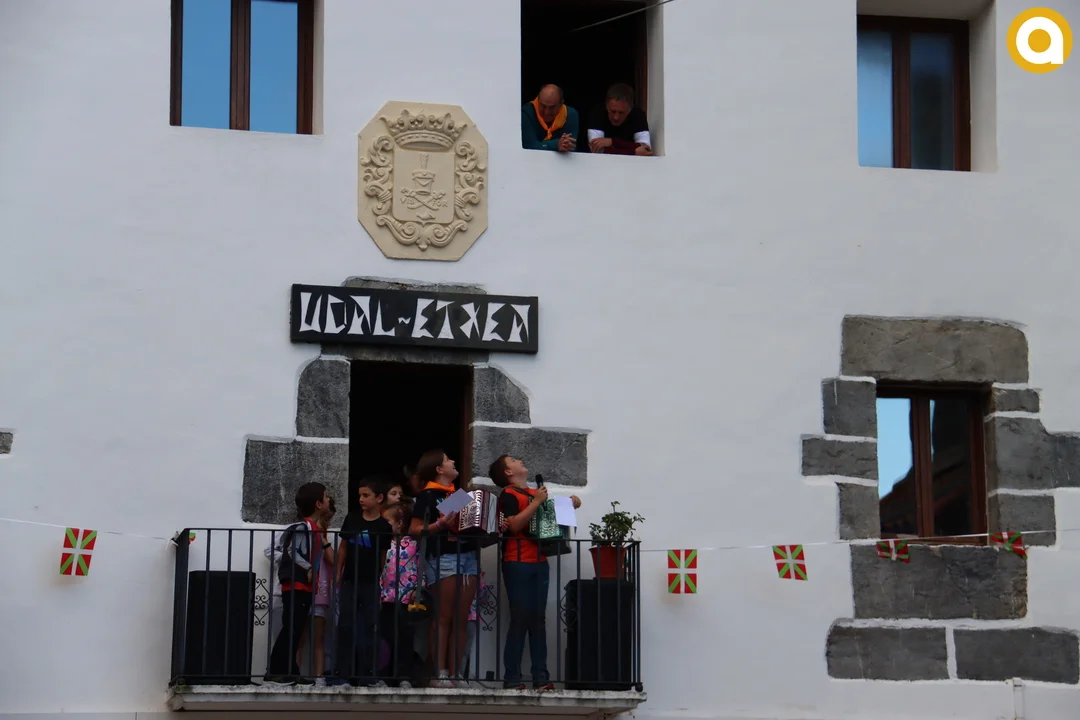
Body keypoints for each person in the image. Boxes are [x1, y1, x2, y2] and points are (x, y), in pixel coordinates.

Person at [490, 455, 580, 690]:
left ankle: (541, 677)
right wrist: (537, 501)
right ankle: (512, 678)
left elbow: (547, 515)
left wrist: (571, 502)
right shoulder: (509, 494)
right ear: (508, 472)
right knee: (520, 618)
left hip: (539, 561)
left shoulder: (534, 493)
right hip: (517, 561)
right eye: (513, 460)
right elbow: (514, 525)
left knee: (538, 620)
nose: (520, 461)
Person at [408, 449, 477, 688]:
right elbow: (414, 530)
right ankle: (440, 674)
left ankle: (456, 674)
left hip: (468, 555)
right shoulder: (427, 496)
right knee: (444, 616)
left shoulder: (459, 496)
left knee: (461, 618)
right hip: (443, 556)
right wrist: (439, 525)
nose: (454, 461)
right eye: (448, 460)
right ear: (439, 469)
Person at [265, 482, 332, 685]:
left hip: (304, 586)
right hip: (297, 585)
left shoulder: (313, 528)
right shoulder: (304, 528)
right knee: (291, 628)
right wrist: (309, 568)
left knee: (295, 629)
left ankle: (291, 671)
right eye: (326, 496)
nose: (329, 499)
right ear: (318, 504)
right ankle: (274, 672)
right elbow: (292, 551)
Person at [335, 476, 393, 686]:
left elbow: (383, 555)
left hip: (370, 583)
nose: (361, 499)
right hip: (349, 580)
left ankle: (368, 674)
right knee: (345, 625)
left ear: (379, 498)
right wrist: (338, 574)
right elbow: (343, 547)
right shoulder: (352, 519)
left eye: (366, 495)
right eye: (360, 495)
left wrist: (379, 578)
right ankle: (343, 674)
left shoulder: (384, 527)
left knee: (370, 626)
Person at [379, 502, 420, 688]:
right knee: (386, 637)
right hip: (386, 597)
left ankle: (403, 676)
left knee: (405, 637)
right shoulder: (384, 543)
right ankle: (384, 675)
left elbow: (420, 565)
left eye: (387, 521)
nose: (384, 525)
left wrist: (418, 588)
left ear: (399, 523)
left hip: (407, 597)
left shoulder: (413, 543)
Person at [299, 496, 337, 685]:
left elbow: (334, 561)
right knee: (299, 638)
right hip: (303, 590)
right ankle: (294, 674)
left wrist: (323, 540)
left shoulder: (325, 544)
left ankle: (320, 677)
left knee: (318, 638)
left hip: (319, 595)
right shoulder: (302, 540)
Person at [587, 83, 653, 156]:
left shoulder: (637, 115)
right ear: (606, 106)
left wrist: (612, 142)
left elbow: (646, 148)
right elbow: (596, 150)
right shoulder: (597, 114)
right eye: (613, 111)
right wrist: (633, 152)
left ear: (630, 110)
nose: (616, 117)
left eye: (621, 113)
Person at [522, 84, 579, 153]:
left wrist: (565, 145)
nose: (546, 112)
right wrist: (556, 144)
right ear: (538, 100)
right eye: (543, 106)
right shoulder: (526, 112)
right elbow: (528, 147)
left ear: (561, 104)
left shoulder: (570, 115)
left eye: (552, 107)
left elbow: (571, 149)